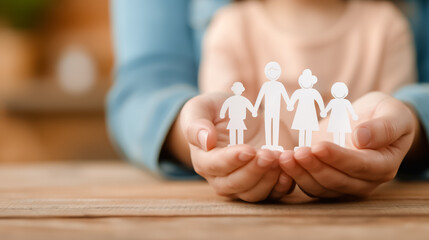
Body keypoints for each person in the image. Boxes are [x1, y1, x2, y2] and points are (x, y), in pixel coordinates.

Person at [108, 0, 429, 202]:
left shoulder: (389, 27)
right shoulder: (229, 29)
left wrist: (404, 126)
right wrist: (203, 134)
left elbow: (390, 113)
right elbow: (145, 87)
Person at [253, 62, 290, 151]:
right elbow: (260, 96)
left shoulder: (279, 85)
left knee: (275, 125)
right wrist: (255, 108)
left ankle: (275, 144)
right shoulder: (266, 85)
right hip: (268, 110)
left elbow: (285, 95)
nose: (273, 74)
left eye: (275, 72)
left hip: (276, 110)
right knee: (268, 125)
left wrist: (289, 104)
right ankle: (269, 144)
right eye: (271, 72)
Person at [288, 69, 325, 151]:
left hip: (310, 113)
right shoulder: (299, 92)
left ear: (311, 82)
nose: (306, 83)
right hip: (301, 113)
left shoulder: (314, 92)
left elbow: (319, 101)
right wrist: (290, 105)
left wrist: (323, 110)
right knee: (301, 130)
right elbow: (293, 99)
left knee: (308, 130)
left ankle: (307, 145)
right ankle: (301, 145)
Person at [321, 82, 358, 147]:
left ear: (345, 92)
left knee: (342, 132)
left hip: (343, 119)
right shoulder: (333, 101)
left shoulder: (345, 102)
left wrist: (353, 115)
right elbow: (328, 108)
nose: (339, 93)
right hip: (334, 118)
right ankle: (336, 144)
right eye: (337, 91)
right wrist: (324, 112)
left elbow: (350, 108)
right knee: (336, 132)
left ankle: (341, 144)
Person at [220, 82, 256, 146]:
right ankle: (232, 143)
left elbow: (249, 105)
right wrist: (222, 113)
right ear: (233, 89)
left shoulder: (243, 100)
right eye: (236, 89)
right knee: (232, 130)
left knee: (240, 131)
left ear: (242, 90)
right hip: (233, 118)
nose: (238, 90)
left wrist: (253, 112)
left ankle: (240, 143)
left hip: (240, 119)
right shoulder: (230, 99)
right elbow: (225, 106)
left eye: (239, 89)